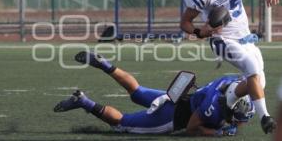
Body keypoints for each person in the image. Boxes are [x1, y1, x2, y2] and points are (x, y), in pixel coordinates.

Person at [180, 0, 279, 134]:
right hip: (222, 39)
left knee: (259, 82)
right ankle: (265, 117)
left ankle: (228, 98)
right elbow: (185, 22)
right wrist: (200, 32)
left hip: (245, 35)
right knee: (252, 68)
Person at [53, 51, 255, 136]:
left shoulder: (229, 83)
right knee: (122, 123)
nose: (238, 122)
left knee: (137, 91)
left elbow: (248, 83)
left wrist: (234, 121)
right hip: (171, 117)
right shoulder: (215, 109)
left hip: (177, 97)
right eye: (236, 118)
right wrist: (217, 132)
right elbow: (193, 128)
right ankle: (83, 101)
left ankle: (105, 65)